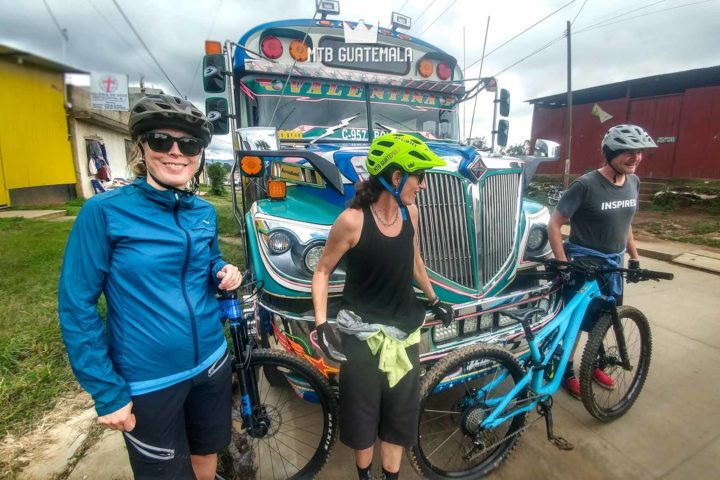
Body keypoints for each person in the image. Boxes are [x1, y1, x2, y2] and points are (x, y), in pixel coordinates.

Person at [58, 94, 242, 479]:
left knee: (206, 457)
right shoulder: (105, 212)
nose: (176, 152)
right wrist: (107, 391)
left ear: (199, 155)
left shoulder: (203, 212)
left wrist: (224, 269)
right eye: (161, 141)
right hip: (149, 380)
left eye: (189, 144)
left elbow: (208, 263)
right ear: (141, 148)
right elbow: (77, 306)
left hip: (212, 362)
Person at [312, 133, 454, 480]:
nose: (422, 185)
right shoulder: (353, 221)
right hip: (362, 342)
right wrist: (321, 324)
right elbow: (322, 270)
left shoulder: (411, 214)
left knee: (397, 421)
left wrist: (434, 300)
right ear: (396, 177)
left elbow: (416, 261)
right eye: (420, 176)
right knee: (362, 421)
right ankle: (365, 476)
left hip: (404, 336)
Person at [547, 123, 658, 399]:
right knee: (576, 323)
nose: (635, 158)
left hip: (613, 265)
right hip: (585, 264)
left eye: (639, 152)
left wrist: (634, 258)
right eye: (627, 152)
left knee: (603, 320)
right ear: (610, 153)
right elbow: (554, 224)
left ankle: (593, 363)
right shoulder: (585, 185)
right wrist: (564, 266)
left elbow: (626, 225)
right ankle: (566, 371)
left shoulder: (633, 182)